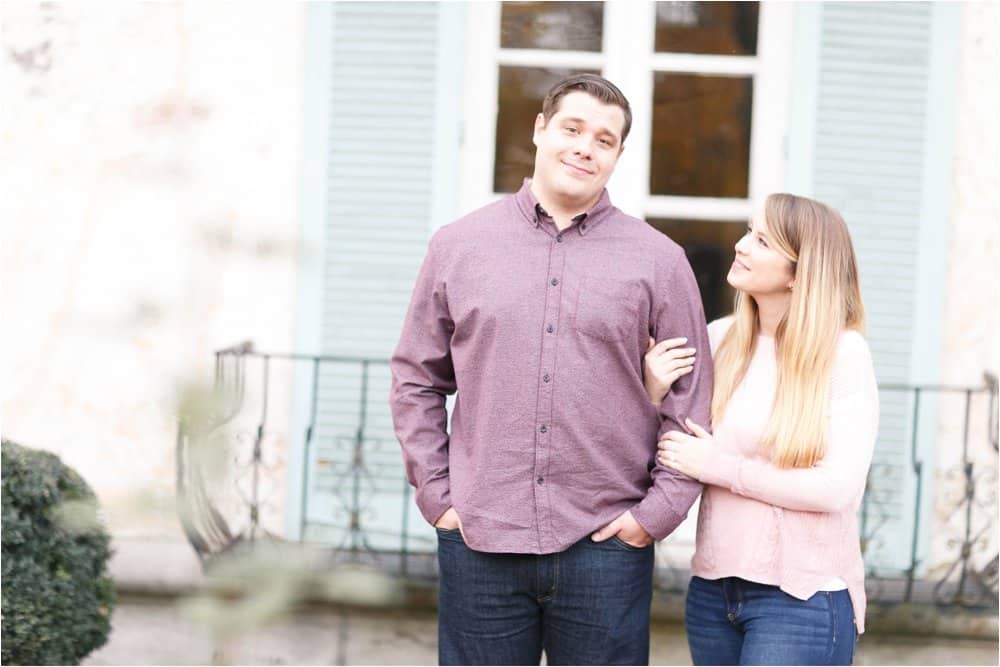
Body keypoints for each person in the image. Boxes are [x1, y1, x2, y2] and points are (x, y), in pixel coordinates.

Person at [389, 73, 712, 666]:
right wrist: (439, 497)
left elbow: (690, 404)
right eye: (573, 128)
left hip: (607, 545)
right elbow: (416, 380)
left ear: (617, 156)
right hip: (480, 536)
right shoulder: (458, 247)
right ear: (540, 130)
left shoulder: (660, 262)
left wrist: (654, 517)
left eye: (605, 139)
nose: (586, 147)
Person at [645, 193, 878, 666]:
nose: (741, 245)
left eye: (762, 240)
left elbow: (836, 488)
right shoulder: (718, 338)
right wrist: (651, 390)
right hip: (712, 592)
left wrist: (723, 468)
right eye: (748, 231)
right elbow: (666, 451)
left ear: (799, 271)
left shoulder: (843, 353)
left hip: (802, 599)